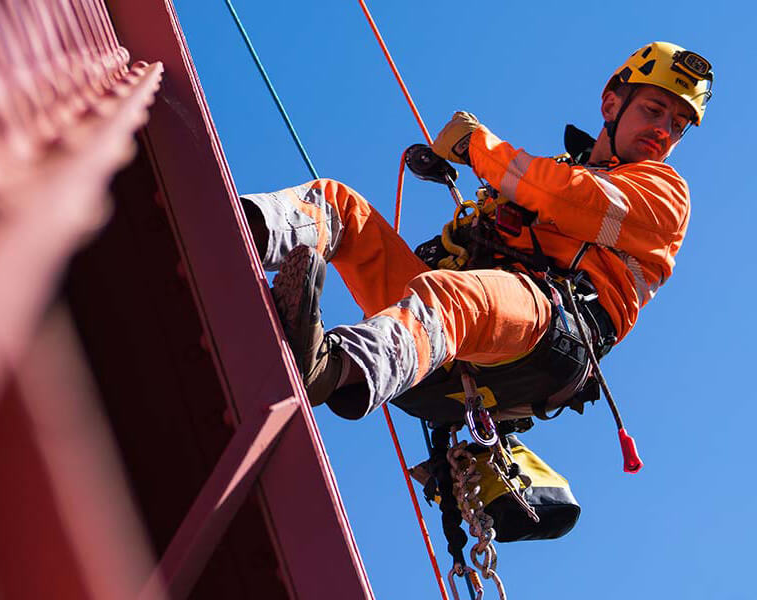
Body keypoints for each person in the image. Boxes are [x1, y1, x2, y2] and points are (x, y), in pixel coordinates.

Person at [241, 41, 713, 420]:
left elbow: (566, 197)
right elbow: (547, 190)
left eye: (677, 124)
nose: (664, 130)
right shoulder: (556, 172)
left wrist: (476, 147)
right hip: (445, 332)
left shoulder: (664, 192)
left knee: (453, 296)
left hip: (551, 330)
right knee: (337, 204)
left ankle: (334, 367)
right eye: (654, 110)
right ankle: (242, 233)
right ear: (612, 102)